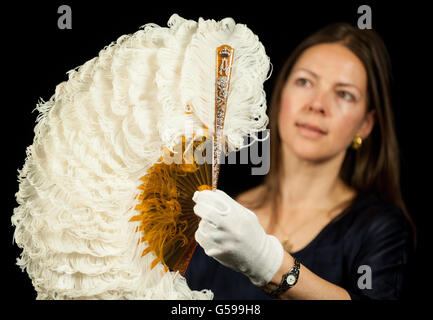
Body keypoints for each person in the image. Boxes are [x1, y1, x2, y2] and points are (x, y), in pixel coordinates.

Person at [184, 22, 416, 300]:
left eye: (344, 94)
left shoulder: (378, 228)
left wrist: (266, 261)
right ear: (281, 95)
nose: (317, 104)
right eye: (304, 82)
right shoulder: (215, 217)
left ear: (365, 125)